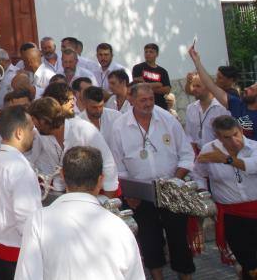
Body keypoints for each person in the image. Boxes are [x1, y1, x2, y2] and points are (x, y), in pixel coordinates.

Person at [15, 147, 145, 280]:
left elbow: (26, 276)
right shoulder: (119, 226)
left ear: (62, 176)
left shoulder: (38, 221)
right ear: (101, 180)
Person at [108, 83, 195, 280]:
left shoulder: (167, 119)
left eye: (151, 100)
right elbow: (117, 164)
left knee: (179, 238)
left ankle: (186, 277)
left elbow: (186, 154)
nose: (148, 104)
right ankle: (157, 277)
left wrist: (174, 181)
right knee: (149, 241)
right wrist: (129, 193)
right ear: (131, 100)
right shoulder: (119, 127)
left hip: (171, 189)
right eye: (143, 100)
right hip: (140, 195)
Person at [0, 106, 41, 280]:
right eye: (31, 128)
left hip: (2, 245)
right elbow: (27, 218)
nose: (35, 133)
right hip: (20, 249)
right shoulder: (19, 168)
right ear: (19, 133)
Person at [194, 115, 257, 278]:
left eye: (235, 134)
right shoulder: (209, 150)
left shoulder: (254, 147)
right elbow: (198, 174)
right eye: (227, 137)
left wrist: (226, 159)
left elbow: (252, 166)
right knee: (246, 261)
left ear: (241, 130)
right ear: (218, 137)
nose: (233, 140)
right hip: (231, 215)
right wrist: (203, 192)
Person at [28, 96, 118, 198]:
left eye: (33, 120)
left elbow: (108, 165)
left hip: (99, 192)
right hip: (68, 194)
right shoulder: (43, 135)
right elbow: (50, 169)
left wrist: (108, 202)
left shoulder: (84, 129)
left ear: (44, 120)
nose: (33, 125)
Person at [188, 44, 257, 140]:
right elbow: (211, 85)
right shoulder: (237, 104)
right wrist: (197, 62)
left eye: (251, 90)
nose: (245, 89)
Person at [184, 73, 229, 153]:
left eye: (198, 86)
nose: (194, 89)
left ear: (209, 87)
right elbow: (188, 134)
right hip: (198, 154)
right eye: (193, 86)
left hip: (219, 153)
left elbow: (228, 134)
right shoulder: (190, 108)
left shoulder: (222, 108)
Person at [131, 43, 172, 110]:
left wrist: (147, 86)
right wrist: (158, 84)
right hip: (142, 105)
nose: (148, 54)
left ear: (157, 54)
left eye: (151, 52)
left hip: (160, 105)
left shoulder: (163, 71)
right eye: (146, 52)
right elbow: (139, 86)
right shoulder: (138, 68)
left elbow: (167, 89)